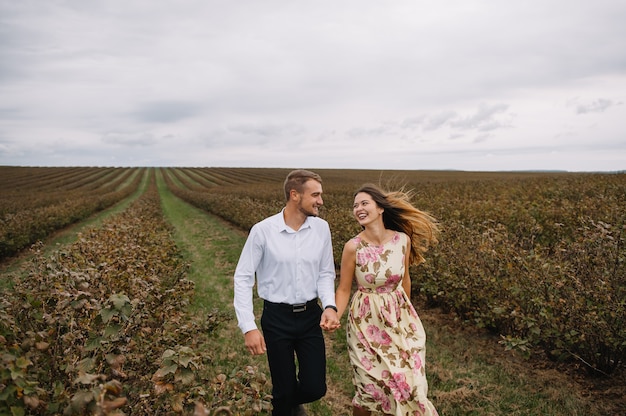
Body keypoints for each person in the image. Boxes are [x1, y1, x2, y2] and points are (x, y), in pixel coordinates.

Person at [233, 169, 340, 416]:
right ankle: (286, 403)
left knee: (315, 388)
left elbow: (325, 273)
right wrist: (248, 326)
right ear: (294, 195)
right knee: (284, 386)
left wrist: (330, 306)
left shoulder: (322, 229)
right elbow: (243, 277)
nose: (320, 201)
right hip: (276, 318)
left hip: (309, 316)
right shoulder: (263, 231)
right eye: (315, 195)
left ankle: (285, 403)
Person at [333, 183, 440, 416]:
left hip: (399, 318)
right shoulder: (352, 247)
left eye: (364, 203)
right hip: (365, 322)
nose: (358, 208)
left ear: (380, 208)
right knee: (369, 387)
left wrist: (406, 316)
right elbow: (343, 289)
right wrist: (335, 314)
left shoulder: (402, 240)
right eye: (355, 205)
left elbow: (406, 280)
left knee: (406, 382)